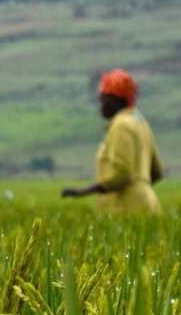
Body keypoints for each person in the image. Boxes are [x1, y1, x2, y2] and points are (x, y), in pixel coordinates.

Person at [62, 69, 163, 213]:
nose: (100, 104)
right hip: (149, 203)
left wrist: (84, 191)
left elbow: (122, 174)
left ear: (114, 99)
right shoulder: (141, 123)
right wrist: (140, 186)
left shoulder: (121, 125)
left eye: (103, 98)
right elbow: (157, 172)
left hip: (127, 207)